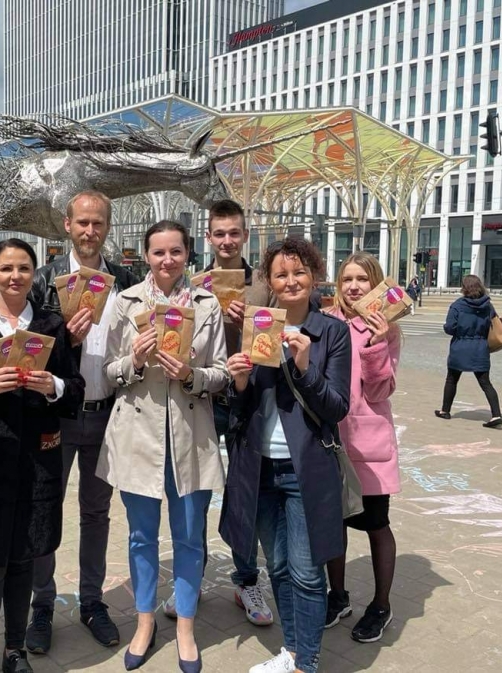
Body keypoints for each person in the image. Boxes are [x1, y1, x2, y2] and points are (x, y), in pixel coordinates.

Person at [96, 219, 229, 673]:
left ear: (188, 253)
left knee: (190, 537)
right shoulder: (125, 302)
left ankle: (186, 627)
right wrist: (134, 360)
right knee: (141, 536)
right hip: (138, 434)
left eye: (176, 251)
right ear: (146, 256)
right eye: (158, 252)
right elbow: (108, 371)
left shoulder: (207, 305)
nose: (167, 260)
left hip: (191, 436)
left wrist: (192, 375)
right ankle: (145, 622)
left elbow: (221, 372)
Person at [0, 238, 85, 673]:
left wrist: (53, 386)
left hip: (35, 460)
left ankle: (15, 650)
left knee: (24, 557)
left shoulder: (50, 325)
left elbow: (75, 388)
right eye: (6, 268)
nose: (15, 276)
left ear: (34, 274)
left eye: (24, 268)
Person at [220, 237, 352, 673]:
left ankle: (305, 664)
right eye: (281, 274)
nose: (291, 281)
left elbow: (336, 408)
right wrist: (239, 383)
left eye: (299, 272)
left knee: (307, 572)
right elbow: (239, 410)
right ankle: (293, 650)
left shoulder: (331, 332)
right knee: (276, 565)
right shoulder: (257, 326)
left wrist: (304, 366)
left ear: (313, 276)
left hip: (305, 469)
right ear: (270, 282)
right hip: (258, 468)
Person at [26, 190, 139, 653]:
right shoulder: (44, 280)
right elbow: (29, 350)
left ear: (107, 227)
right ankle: (41, 606)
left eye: (98, 223)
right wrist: (65, 342)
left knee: (97, 513)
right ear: (67, 225)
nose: (90, 231)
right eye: (82, 223)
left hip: (108, 415)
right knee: (44, 509)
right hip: (57, 417)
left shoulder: (126, 280)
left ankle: (92, 602)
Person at [162, 199, 275, 626]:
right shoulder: (192, 284)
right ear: (208, 237)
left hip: (248, 399)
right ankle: (191, 579)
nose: (227, 241)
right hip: (204, 398)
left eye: (234, 233)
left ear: (245, 235)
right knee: (195, 493)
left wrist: (248, 323)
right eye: (220, 233)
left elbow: (273, 343)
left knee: (244, 493)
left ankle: (246, 580)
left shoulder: (263, 282)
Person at [325, 253, 401, 643]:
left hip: (367, 444)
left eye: (362, 279)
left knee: (375, 524)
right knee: (333, 523)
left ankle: (381, 605)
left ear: (376, 284)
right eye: (347, 279)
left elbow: (380, 390)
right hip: (329, 440)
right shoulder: (326, 322)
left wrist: (376, 342)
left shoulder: (387, 327)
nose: (353, 286)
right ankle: (337, 597)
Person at [434, 274, 502, 428]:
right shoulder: (488, 305)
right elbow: (494, 324)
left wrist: (449, 328)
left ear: (464, 288)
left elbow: (450, 328)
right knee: (486, 383)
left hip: (460, 347)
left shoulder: (458, 305)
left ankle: (445, 411)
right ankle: (496, 415)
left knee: (452, 379)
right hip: (480, 348)